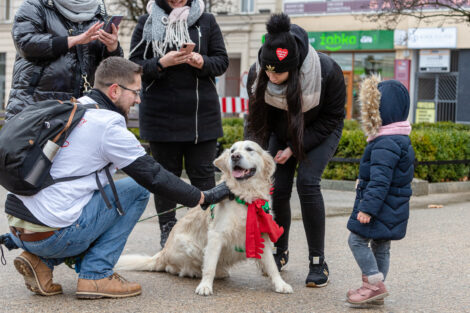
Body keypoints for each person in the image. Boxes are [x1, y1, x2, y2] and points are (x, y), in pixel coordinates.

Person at [0, 57, 231, 299]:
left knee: (84, 200)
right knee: (137, 189)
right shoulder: (107, 126)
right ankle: (96, 275)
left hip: (18, 228)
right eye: (136, 92)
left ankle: (41, 262)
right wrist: (202, 196)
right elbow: (153, 176)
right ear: (114, 90)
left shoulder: (76, 106)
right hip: (52, 235)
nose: (139, 99)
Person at [245, 13, 345, 288]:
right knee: (279, 185)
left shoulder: (326, 71)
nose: (271, 76)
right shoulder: (258, 74)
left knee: (308, 183)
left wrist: (293, 148)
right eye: (268, 70)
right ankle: (280, 251)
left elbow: (332, 118)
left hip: (319, 128)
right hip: (281, 130)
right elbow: (256, 123)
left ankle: (317, 260)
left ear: (295, 67)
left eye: (278, 72)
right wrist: (250, 159)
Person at [128, 0, 228, 248]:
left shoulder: (207, 21)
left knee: (203, 176)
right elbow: (134, 66)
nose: (176, 0)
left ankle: (207, 232)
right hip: (160, 115)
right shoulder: (146, 21)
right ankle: (168, 232)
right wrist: (163, 62)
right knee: (165, 178)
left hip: (200, 115)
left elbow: (222, 62)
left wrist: (201, 61)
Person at [346, 76, 414, 305]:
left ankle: (373, 285)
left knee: (356, 240)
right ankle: (376, 291)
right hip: (391, 208)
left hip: (377, 207)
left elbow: (380, 181)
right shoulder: (400, 139)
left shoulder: (385, 142)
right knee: (382, 246)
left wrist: (367, 208)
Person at [5, 0, 123, 120]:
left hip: (81, 109)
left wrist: (112, 47)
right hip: (35, 105)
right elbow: (25, 44)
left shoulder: (98, 12)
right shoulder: (34, 5)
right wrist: (73, 40)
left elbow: (112, 70)